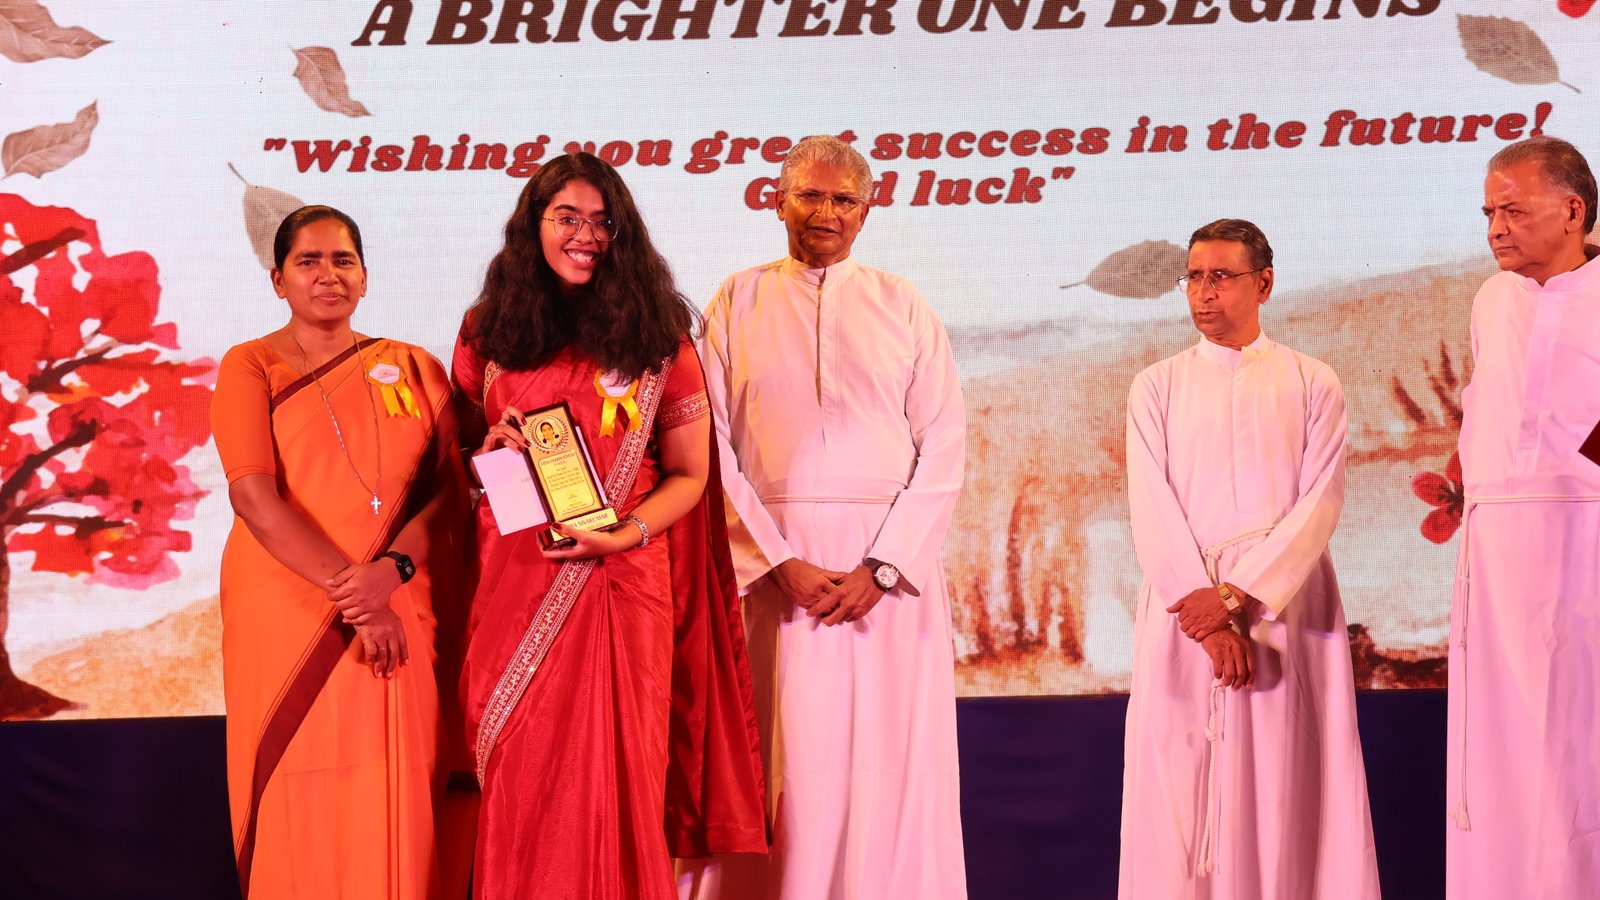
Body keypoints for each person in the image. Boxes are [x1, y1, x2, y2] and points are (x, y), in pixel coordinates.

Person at [453, 152, 766, 900]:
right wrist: (486, 452)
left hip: (621, 582)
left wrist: (624, 535)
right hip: (515, 578)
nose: (585, 235)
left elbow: (689, 475)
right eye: (567, 217)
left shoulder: (659, 338)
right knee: (519, 767)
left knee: (615, 780)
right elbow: (465, 459)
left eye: (603, 222)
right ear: (533, 225)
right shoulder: (486, 333)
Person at [679, 135, 968, 899]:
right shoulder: (735, 301)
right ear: (777, 202)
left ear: (866, 212)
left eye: (844, 200)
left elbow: (944, 445)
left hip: (886, 580)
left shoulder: (904, 304)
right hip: (777, 573)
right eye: (810, 195)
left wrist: (885, 567)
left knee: (890, 764)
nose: (826, 213)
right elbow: (707, 444)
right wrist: (776, 560)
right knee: (786, 761)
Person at [213, 206, 472, 900]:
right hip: (291, 608)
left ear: (365, 276)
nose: (328, 275)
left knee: (402, 777)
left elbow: (452, 493)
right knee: (300, 783)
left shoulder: (415, 367)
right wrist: (358, 599)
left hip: (401, 602)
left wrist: (391, 574)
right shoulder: (251, 365)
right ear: (278, 280)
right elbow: (253, 499)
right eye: (308, 261)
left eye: (343, 260)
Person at [1119, 219, 1379, 899]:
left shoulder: (1313, 381)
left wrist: (1238, 596)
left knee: (1288, 780)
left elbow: (1319, 502)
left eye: (1220, 277)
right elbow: (1151, 506)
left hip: (1283, 607)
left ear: (1263, 283)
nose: (1203, 293)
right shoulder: (1156, 386)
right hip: (1185, 611)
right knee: (1181, 784)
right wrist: (1207, 620)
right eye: (1193, 277)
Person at [1449, 135, 1600, 898]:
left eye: (1513, 210)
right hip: (1498, 557)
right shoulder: (1493, 299)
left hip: (1585, 545)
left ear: (1573, 211)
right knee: (1501, 748)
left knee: (1579, 744)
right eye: (1488, 213)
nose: (1496, 229)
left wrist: (1575, 471)